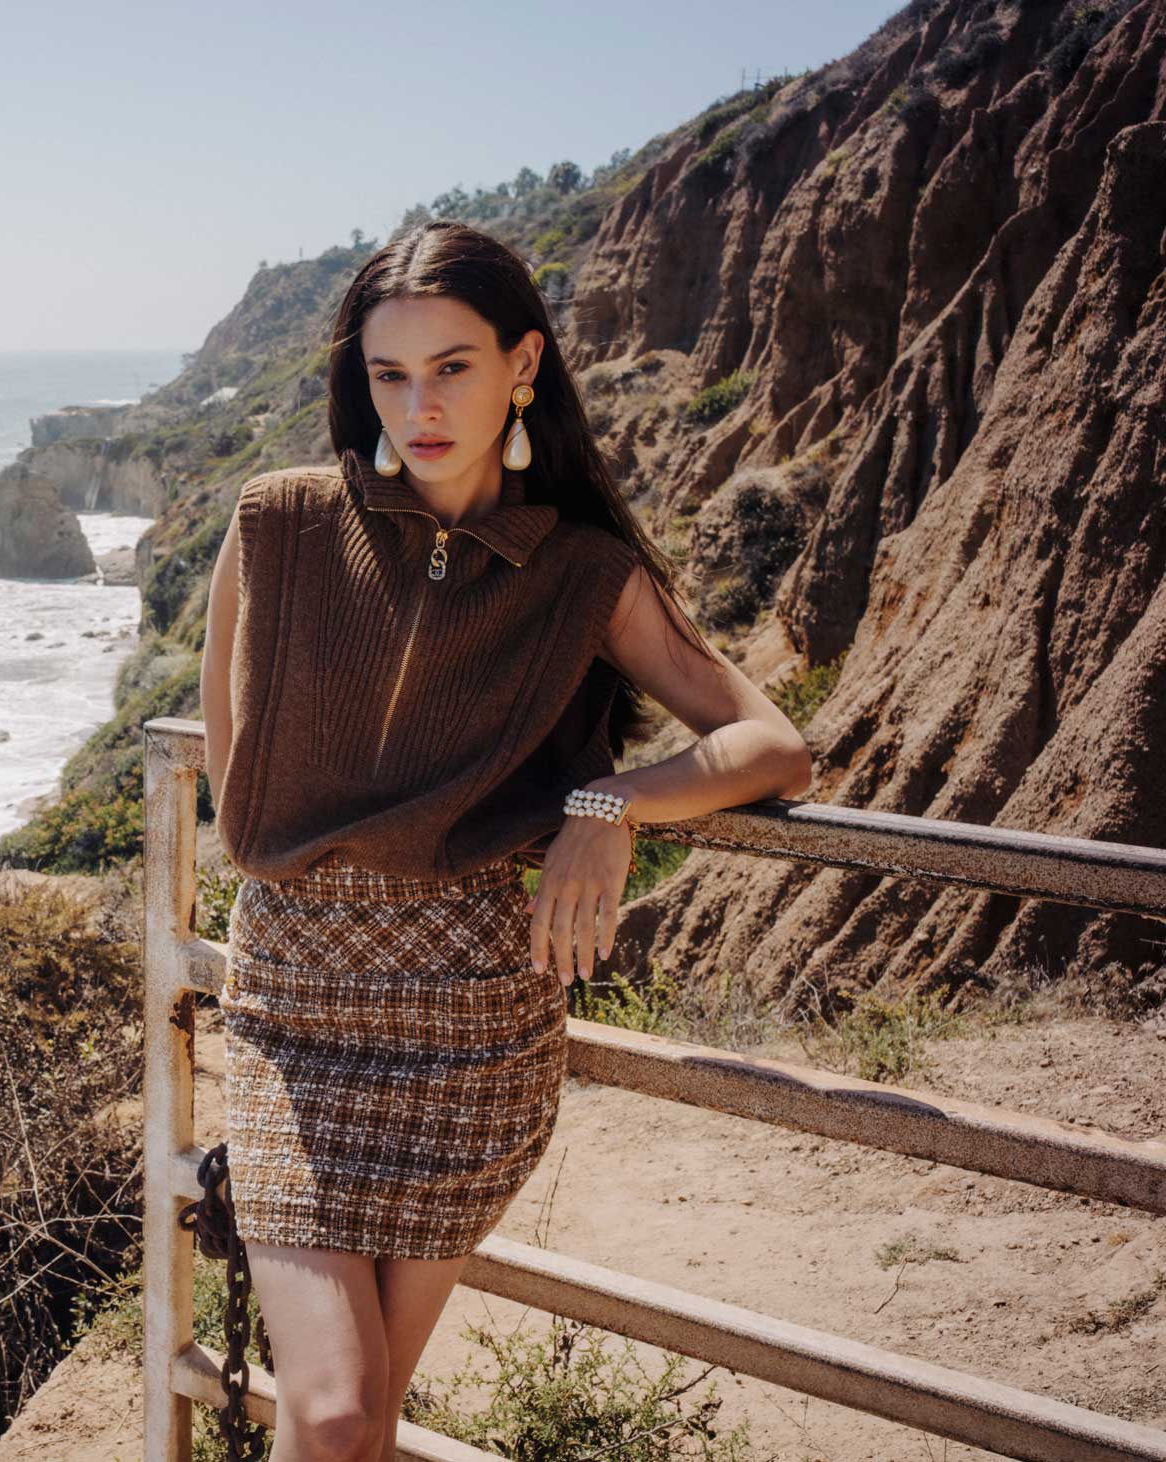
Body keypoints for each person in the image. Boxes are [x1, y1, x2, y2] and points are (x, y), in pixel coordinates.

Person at [190, 220, 814, 1462]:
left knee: (362, 1426)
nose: (418, 405)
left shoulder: (579, 571)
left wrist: (606, 802)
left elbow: (769, 745)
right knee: (325, 1411)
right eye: (388, 374)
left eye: (452, 367)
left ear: (522, 364)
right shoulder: (278, 524)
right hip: (290, 1007)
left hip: (470, 1026)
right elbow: (232, 770)